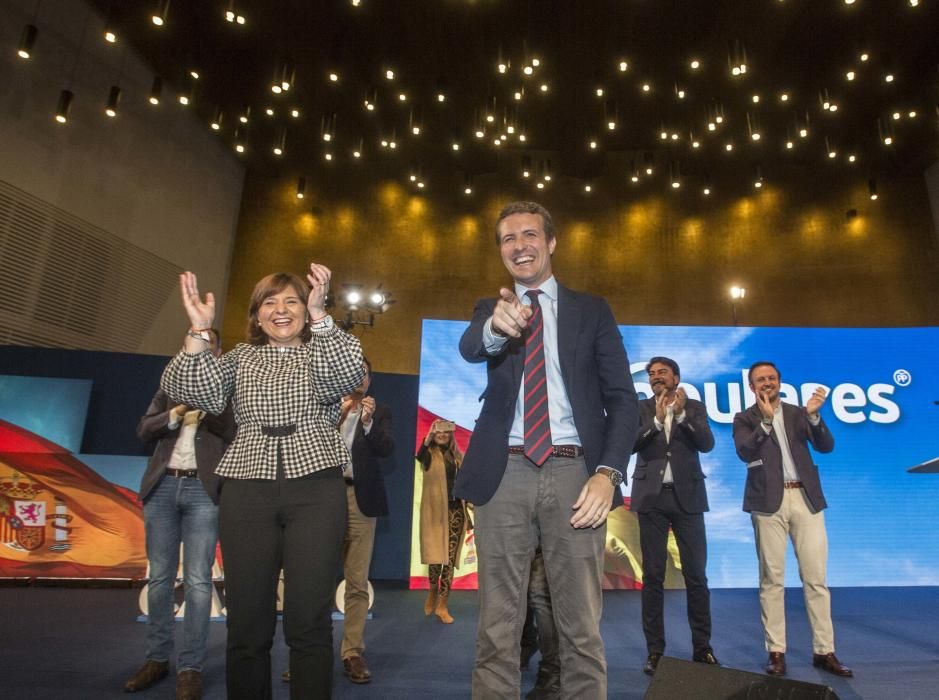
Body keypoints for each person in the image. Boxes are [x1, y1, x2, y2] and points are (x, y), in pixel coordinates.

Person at [456, 201, 639, 698]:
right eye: (508, 239)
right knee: (497, 627)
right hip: (504, 474)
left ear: (551, 242)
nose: (519, 245)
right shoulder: (489, 310)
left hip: (576, 473)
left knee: (580, 626)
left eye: (529, 234)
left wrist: (608, 473)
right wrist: (498, 328)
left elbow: (623, 401)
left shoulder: (591, 310)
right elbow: (473, 346)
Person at [161, 264, 365, 700]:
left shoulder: (321, 351)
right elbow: (194, 391)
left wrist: (320, 315)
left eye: (291, 300)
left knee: (308, 621)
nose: (280, 309)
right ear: (256, 316)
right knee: (247, 624)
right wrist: (199, 333)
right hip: (246, 490)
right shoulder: (237, 357)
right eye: (269, 302)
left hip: (316, 488)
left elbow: (349, 375)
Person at [124, 329, 236, 700]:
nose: (200, 353)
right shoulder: (169, 385)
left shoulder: (227, 390)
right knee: (159, 578)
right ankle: (156, 659)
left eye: (207, 348)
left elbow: (235, 432)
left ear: (216, 355)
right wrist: (174, 414)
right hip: (162, 487)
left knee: (199, 581)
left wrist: (207, 409)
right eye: (195, 347)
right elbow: (144, 428)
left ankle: (191, 667)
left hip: (203, 491)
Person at [732, 361, 852, 678]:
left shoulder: (800, 413)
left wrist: (814, 416)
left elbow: (826, 446)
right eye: (760, 380)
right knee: (772, 580)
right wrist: (767, 423)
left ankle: (824, 651)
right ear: (751, 386)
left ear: (780, 382)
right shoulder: (745, 418)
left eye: (771, 378)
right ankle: (776, 652)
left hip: (806, 499)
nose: (767, 383)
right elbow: (745, 451)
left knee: (816, 579)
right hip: (767, 503)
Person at [630, 356, 718, 676]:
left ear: (676, 377)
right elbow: (629, 444)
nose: (656, 377)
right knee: (653, 577)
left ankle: (702, 648)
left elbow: (706, 444)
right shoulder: (639, 408)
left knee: (696, 576)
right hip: (651, 500)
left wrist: (680, 415)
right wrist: (655, 421)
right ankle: (655, 651)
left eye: (662, 372)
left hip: (688, 501)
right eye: (652, 374)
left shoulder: (693, 406)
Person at [337, 358, 395, 683]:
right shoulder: (328, 406)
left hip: (362, 501)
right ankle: (309, 653)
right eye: (353, 371)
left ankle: (352, 652)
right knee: (314, 580)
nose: (359, 377)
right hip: (324, 499)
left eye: (365, 374)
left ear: (370, 381)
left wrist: (369, 424)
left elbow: (387, 448)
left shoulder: (380, 411)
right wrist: (340, 414)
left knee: (357, 582)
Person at [416, 418, 470, 624]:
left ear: (451, 435)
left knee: (448, 559)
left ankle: (442, 604)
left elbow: (466, 482)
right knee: (436, 556)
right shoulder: (428, 455)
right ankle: (432, 591)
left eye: (446, 432)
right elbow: (419, 456)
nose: (442, 434)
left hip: (455, 512)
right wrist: (428, 435)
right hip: (435, 514)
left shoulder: (457, 457)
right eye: (439, 431)